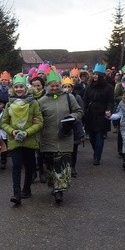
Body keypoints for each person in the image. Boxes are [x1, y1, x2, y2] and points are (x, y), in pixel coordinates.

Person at [38, 69, 83, 204]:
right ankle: (54, 184)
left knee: (62, 164)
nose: (55, 87)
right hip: (48, 138)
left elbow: (79, 111)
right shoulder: (41, 101)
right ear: (47, 86)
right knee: (50, 165)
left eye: (57, 85)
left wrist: (72, 117)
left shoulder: (69, 98)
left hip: (65, 136)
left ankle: (59, 190)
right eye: (52, 85)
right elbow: (37, 117)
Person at [1, 74, 43, 206]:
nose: (19, 89)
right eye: (16, 87)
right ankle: (16, 194)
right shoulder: (9, 104)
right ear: (13, 89)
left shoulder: (34, 103)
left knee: (29, 166)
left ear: (26, 88)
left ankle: (27, 189)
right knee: (16, 165)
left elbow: (39, 122)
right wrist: (12, 131)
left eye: (21, 87)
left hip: (29, 140)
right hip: (14, 140)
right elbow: (4, 122)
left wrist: (27, 132)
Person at [83, 63, 114, 165]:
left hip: (102, 114)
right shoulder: (89, 87)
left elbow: (110, 101)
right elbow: (85, 100)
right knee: (92, 137)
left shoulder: (108, 87)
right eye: (94, 74)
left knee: (99, 135)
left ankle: (97, 157)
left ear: (101, 76)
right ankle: (96, 151)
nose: (95, 76)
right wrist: (84, 110)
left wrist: (109, 110)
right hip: (90, 114)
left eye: (97, 74)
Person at [61, 77, 86, 176]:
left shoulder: (77, 97)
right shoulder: (60, 97)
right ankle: (65, 166)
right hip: (63, 124)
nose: (67, 88)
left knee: (74, 148)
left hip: (74, 125)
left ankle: (73, 167)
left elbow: (81, 110)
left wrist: (75, 118)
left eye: (69, 86)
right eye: (65, 86)